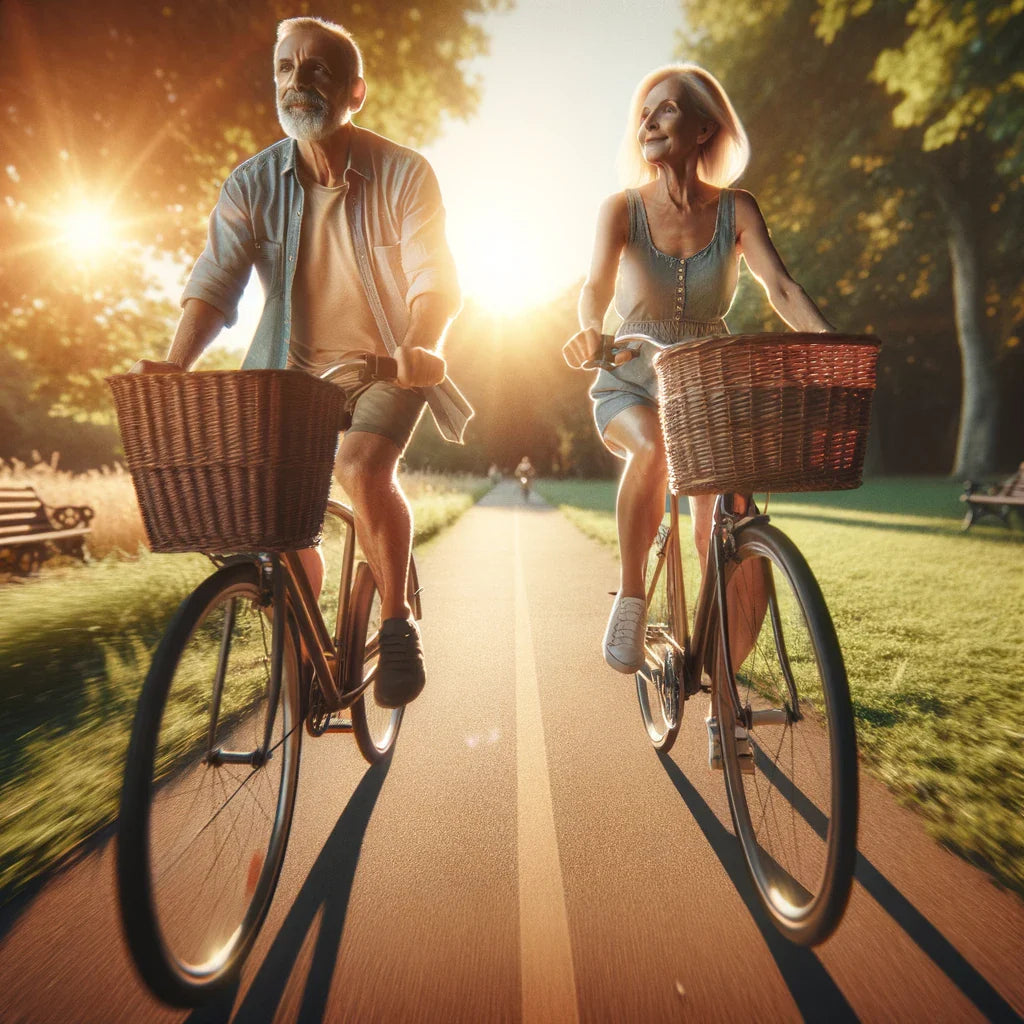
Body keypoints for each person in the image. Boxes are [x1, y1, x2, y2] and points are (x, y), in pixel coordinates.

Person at [135, 16, 472, 707]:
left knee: (360, 466)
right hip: (288, 374)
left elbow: (432, 275)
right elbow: (214, 283)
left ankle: (397, 624)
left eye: (316, 69)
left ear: (356, 93)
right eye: (285, 69)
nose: (296, 81)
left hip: (388, 363)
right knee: (270, 521)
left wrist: (424, 341)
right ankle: (307, 645)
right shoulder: (252, 183)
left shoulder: (404, 173)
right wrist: (175, 365)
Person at [561, 63, 834, 674]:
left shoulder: (738, 209)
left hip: (708, 384)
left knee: (730, 518)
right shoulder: (621, 210)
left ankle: (723, 685)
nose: (650, 121)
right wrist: (588, 329)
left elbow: (781, 288)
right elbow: (594, 287)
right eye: (644, 113)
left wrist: (827, 345)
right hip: (630, 375)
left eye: (667, 109)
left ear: (706, 126)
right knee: (653, 451)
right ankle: (632, 598)